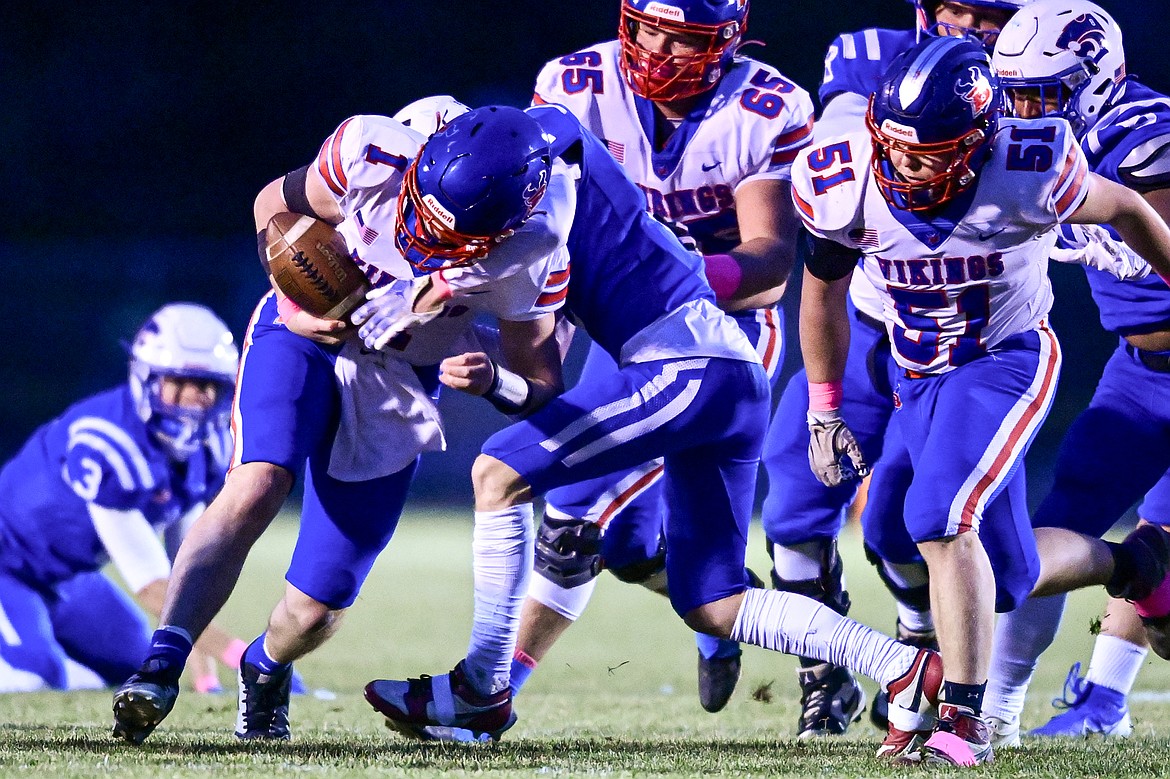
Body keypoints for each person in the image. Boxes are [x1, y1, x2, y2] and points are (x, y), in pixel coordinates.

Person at [363, 101, 991, 756]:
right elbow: (537, 378)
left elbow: (519, 330)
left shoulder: (532, 231)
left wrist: (433, 298)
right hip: (727, 371)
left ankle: (481, 688)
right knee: (713, 601)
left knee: (497, 471)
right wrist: (493, 375)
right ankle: (907, 668)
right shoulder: (548, 140)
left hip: (686, 366)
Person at [111, 101, 574, 744]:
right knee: (256, 482)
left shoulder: (534, 244)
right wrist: (295, 304)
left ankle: (265, 666)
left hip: (400, 380)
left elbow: (543, 384)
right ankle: (161, 664)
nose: (419, 235)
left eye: (447, 234)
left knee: (317, 606)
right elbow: (271, 207)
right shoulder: (373, 151)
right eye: (419, 209)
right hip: (302, 335)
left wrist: (495, 380)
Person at [794, 34, 1170, 765]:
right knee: (945, 551)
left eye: (931, 150)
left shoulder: (1027, 169)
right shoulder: (841, 177)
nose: (908, 163)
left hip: (1005, 359)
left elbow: (1124, 205)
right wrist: (824, 404)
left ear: (977, 141)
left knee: (940, 516)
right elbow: (822, 293)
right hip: (917, 372)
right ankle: (1137, 566)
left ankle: (962, 721)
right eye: (896, 145)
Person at [513, 0, 818, 722]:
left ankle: (491, 691)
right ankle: (726, 601)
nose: (655, 49)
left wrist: (669, 271)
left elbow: (771, 262)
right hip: (622, 333)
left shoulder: (764, 106)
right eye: (647, 29)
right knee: (622, 546)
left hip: (725, 332)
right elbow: (544, 226)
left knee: (570, 514)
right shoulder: (576, 85)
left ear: (728, 41)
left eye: (682, 40)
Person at [762, 0, 1034, 733]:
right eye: (961, 12)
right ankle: (839, 678)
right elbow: (839, 196)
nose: (975, 29)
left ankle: (936, 648)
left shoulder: (1032, 91)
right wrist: (824, 403)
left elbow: (1102, 195)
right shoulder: (871, 65)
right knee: (791, 498)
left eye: (993, 19)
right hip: (873, 321)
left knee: (999, 565)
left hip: (976, 345)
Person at [979, 0, 1170, 743]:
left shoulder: (1147, 136)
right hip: (1140, 369)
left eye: (1043, 93)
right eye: (1015, 93)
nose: (1025, 111)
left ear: (1095, 79)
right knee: (1053, 530)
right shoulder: (1037, 144)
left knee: (1159, 535)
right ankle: (994, 712)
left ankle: (1104, 698)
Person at [0, 303, 246, 694]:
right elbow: (152, 585)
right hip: (8, 566)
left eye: (207, 385)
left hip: (69, 578)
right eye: (180, 382)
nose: (195, 399)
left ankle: (55, 658)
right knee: (35, 675)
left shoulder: (207, 451)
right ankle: (55, 666)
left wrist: (205, 678)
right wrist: (245, 659)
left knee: (137, 659)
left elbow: (185, 575)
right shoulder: (108, 442)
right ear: (145, 378)